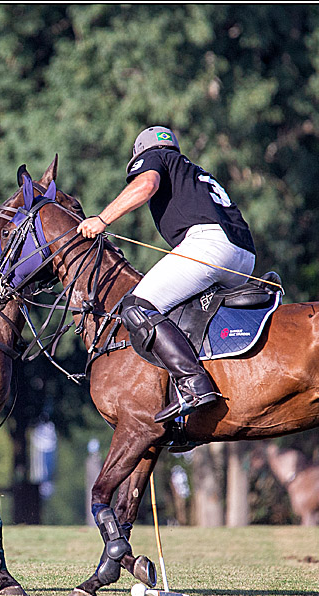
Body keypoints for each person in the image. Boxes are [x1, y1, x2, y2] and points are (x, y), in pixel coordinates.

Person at [76, 126, 257, 423]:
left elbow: (146, 185)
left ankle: (193, 384)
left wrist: (102, 219)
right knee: (178, 308)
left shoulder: (154, 157)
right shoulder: (192, 170)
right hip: (244, 255)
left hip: (209, 245)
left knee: (136, 306)